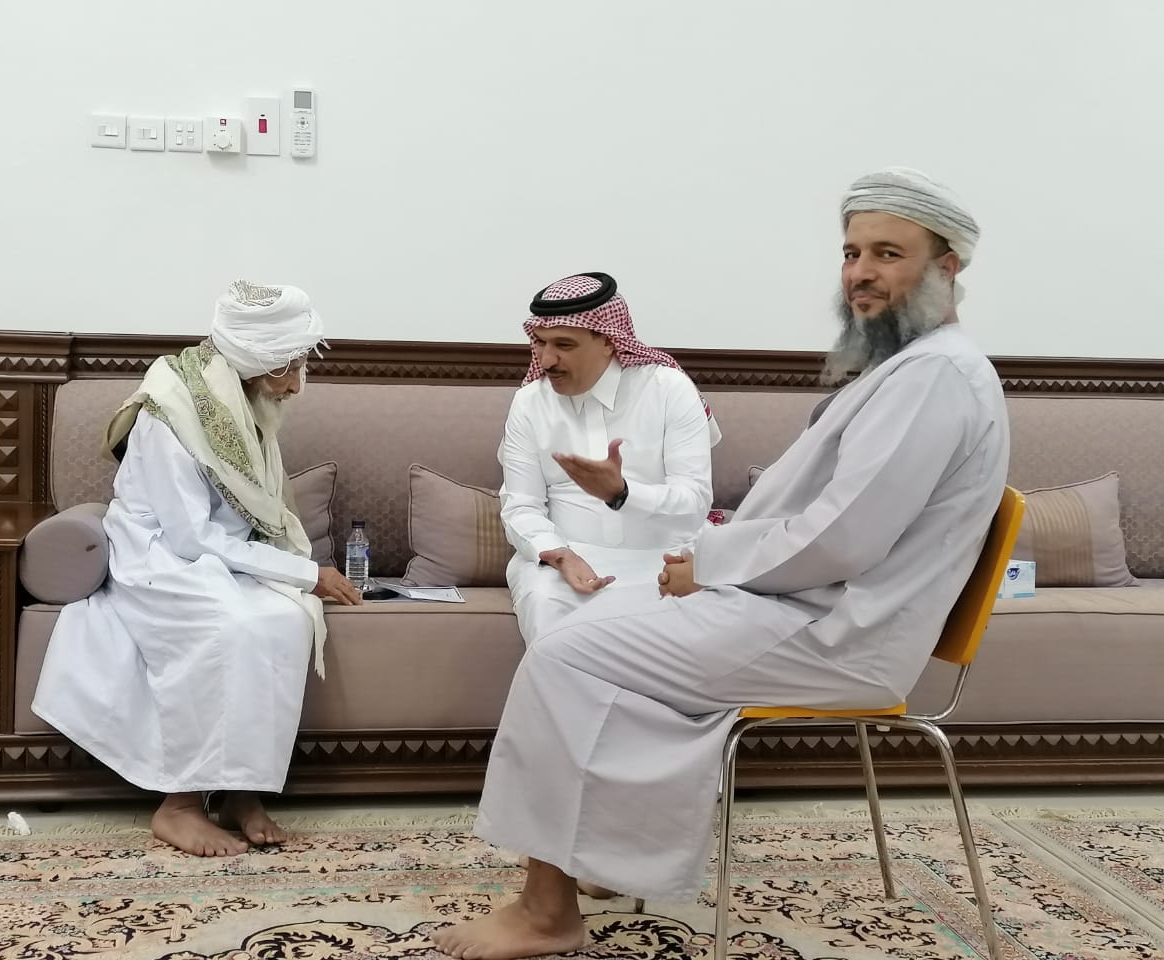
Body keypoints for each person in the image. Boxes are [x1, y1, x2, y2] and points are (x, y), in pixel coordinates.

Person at [431, 168, 1010, 960]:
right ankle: (596, 859)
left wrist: (706, 564)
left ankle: (546, 911)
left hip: (839, 631)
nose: (861, 274)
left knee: (565, 654)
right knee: (586, 632)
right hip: (805, 607)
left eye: (888, 254)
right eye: (851, 253)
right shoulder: (912, 368)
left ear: (946, 268)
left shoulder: (935, 375)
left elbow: (842, 538)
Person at [32, 280, 362, 858]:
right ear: (254, 360)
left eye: (300, 365)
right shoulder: (171, 412)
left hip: (220, 554)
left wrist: (292, 575)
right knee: (231, 627)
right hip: (160, 556)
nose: (296, 384)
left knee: (285, 621)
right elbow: (188, 535)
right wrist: (306, 573)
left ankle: (241, 793)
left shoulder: (245, 398)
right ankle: (180, 805)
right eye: (288, 368)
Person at [499, 272, 719, 647]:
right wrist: (560, 555)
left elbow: (694, 503)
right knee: (546, 608)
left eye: (564, 345)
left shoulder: (668, 390)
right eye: (540, 342)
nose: (547, 359)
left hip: (664, 560)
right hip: (566, 564)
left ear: (607, 341)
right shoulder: (530, 403)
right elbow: (521, 506)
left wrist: (623, 493)